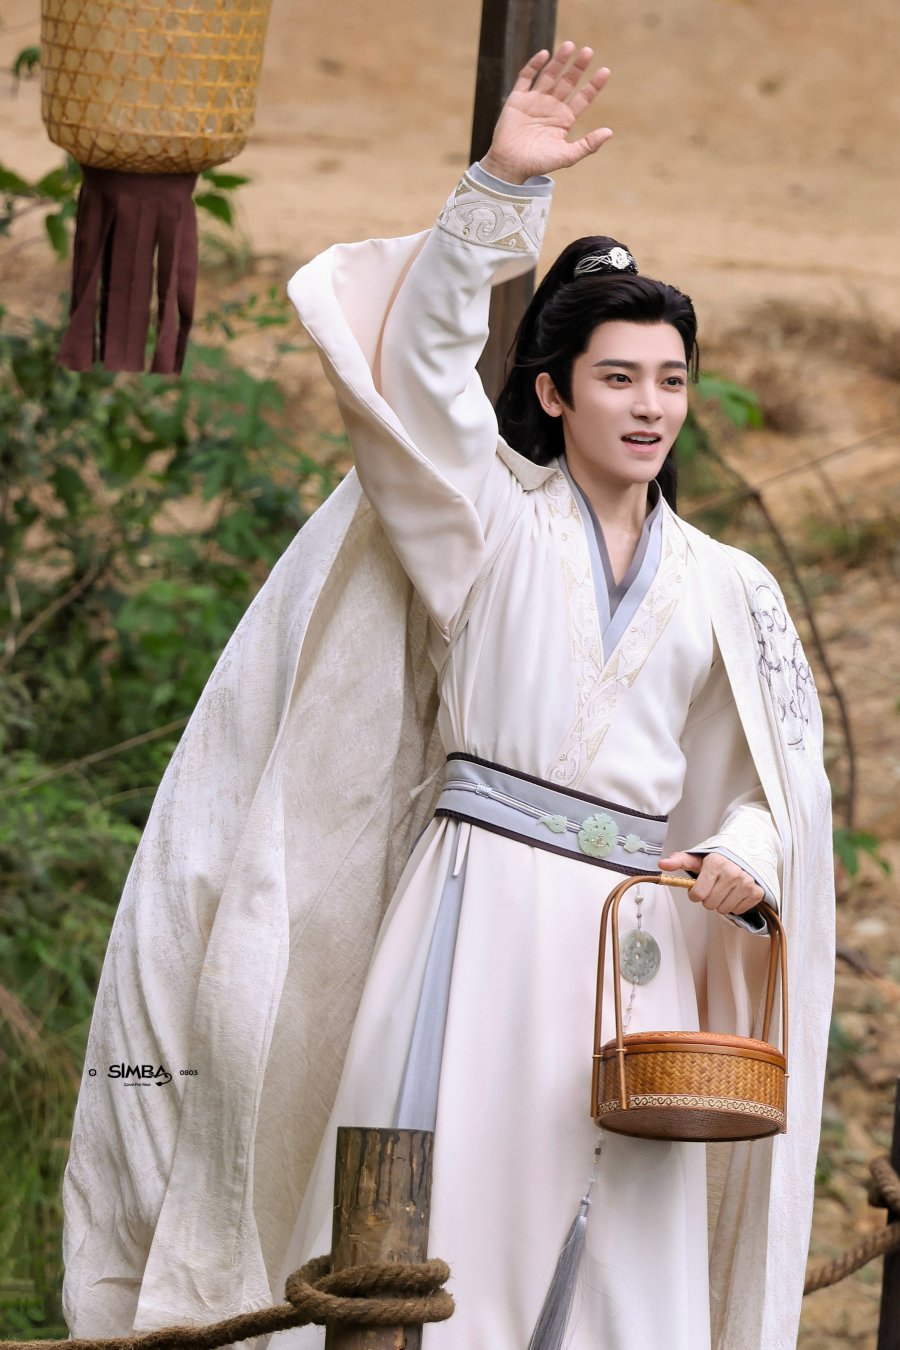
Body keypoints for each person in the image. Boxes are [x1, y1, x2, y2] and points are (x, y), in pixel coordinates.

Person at [62, 44, 835, 1350]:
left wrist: (746, 855)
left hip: (633, 945)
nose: (651, 406)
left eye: (671, 380)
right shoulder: (485, 521)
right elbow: (419, 369)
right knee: (430, 1214)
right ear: (552, 390)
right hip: (471, 911)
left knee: (617, 1239)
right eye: (618, 377)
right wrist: (498, 188)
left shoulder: (729, 585)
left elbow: (777, 783)